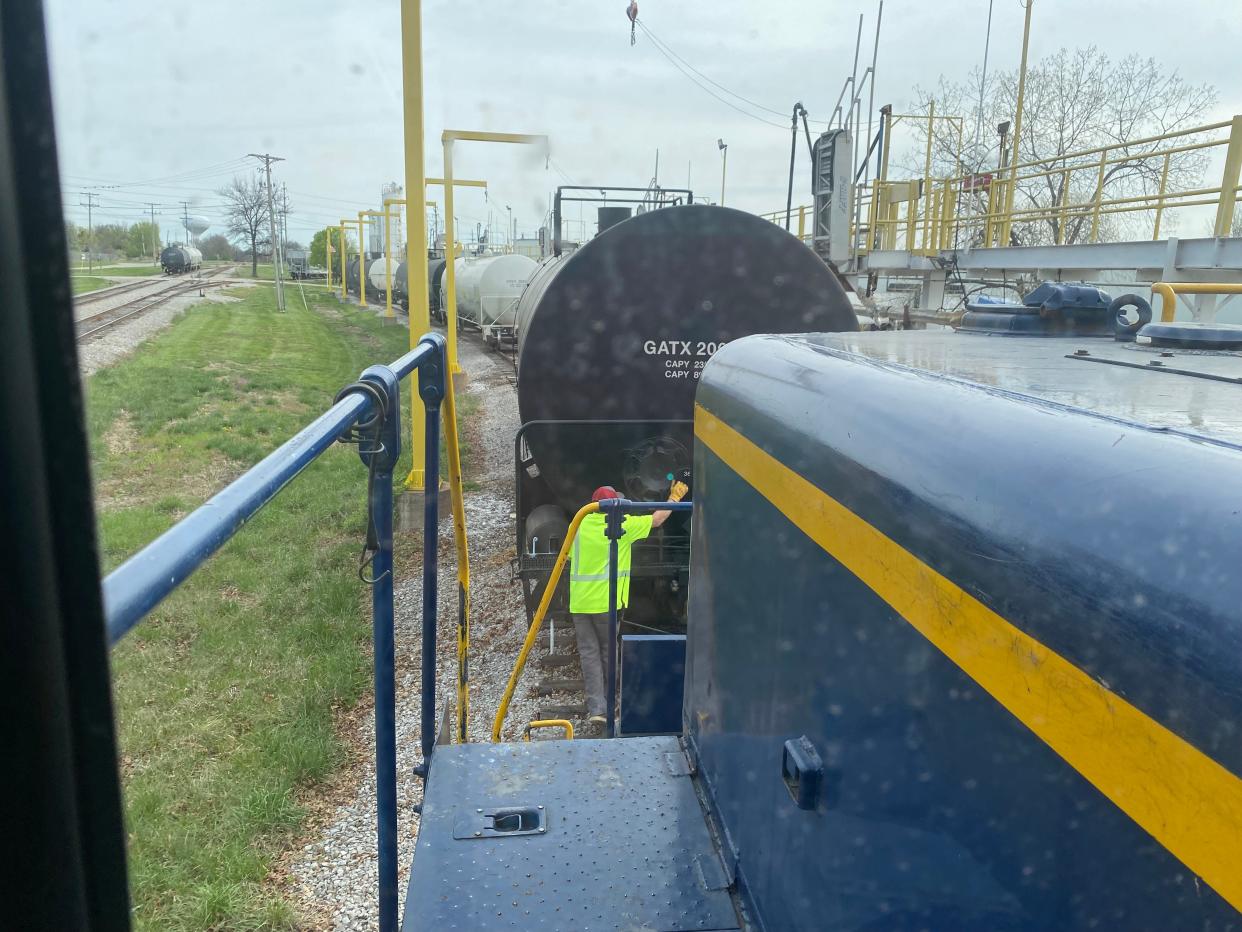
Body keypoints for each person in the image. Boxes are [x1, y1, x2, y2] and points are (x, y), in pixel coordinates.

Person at [569, 477, 688, 730]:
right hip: (605, 602)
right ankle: (611, 706)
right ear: (614, 505)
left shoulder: (578, 524)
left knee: (589, 655)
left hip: (579, 604)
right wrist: (674, 498)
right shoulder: (620, 525)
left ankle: (596, 709)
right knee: (608, 653)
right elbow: (657, 520)